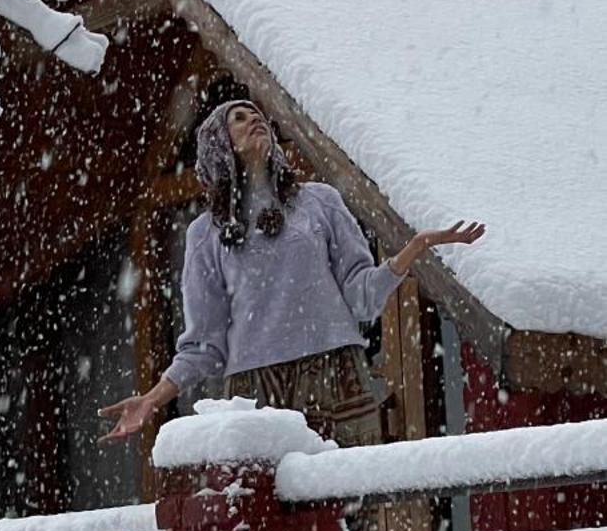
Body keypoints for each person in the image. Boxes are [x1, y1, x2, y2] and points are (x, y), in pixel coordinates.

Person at [100, 88, 485, 448]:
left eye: (257, 115)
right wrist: (153, 398)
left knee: (353, 503)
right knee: (273, 514)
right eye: (238, 117)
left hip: (337, 375)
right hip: (255, 392)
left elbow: (361, 298)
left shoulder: (320, 202)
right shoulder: (205, 234)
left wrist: (412, 251)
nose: (255, 120)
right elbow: (205, 345)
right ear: (219, 145)